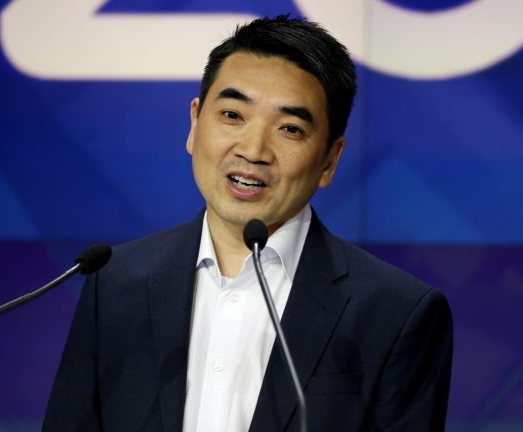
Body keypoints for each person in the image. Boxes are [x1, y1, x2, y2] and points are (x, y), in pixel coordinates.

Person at [43, 15, 452, 432]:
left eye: (290, 129)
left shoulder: (396, 314)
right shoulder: (115, 284)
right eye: (232, 115)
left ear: (330, 159)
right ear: (195, 123)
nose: (253, 150)